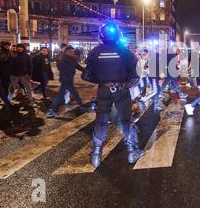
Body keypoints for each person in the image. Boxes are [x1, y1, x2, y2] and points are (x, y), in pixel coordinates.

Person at [84, 23, 144, 167]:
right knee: (125, 121)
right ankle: (132, 152)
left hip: (103, 90)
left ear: (101, 36)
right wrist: (125, 85)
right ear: (118, 35)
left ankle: (96, 155)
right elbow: (137, 74)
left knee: (101, 121)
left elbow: (86, 75)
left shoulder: (94, 52)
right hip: (121, 90)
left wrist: (102, 81)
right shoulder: (125, 52)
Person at [46, 46, 85, 117]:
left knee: (64, 94)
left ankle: (82, 106)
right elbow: (61, 68)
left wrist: (86, 70)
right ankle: (51, 110)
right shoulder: (62, 59)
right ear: (66, 52)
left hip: (69, 79)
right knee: (68, 94)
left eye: (73, 51)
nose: (72, 53)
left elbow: (79, 67)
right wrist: (71, 66)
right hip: (65, 79)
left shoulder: (72, 59)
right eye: (70, 51)